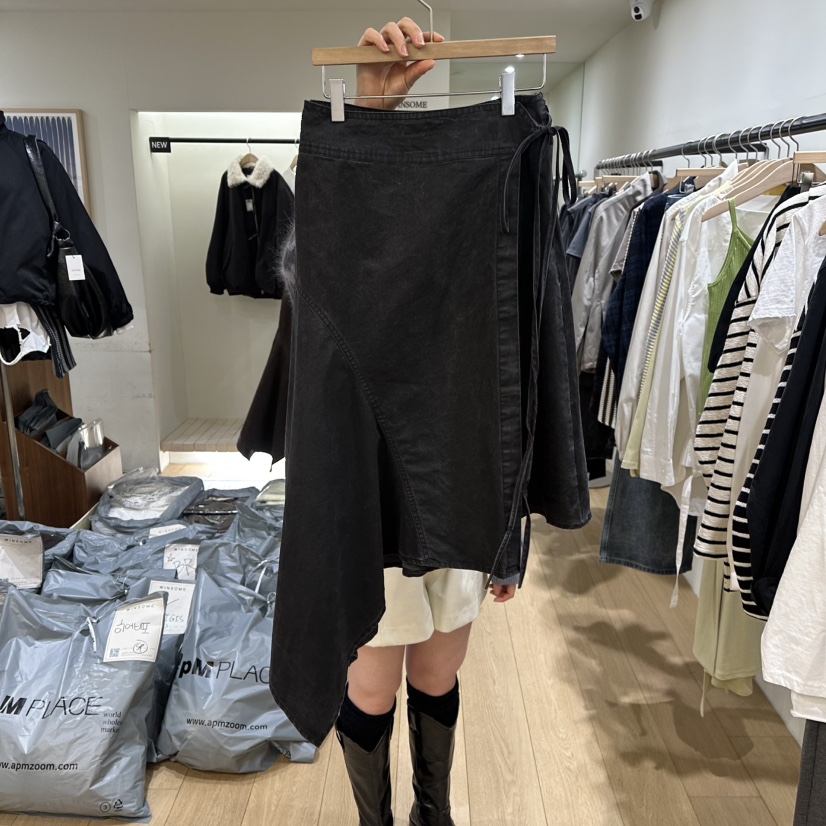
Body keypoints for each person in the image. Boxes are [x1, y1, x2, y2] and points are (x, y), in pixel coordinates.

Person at [328, 19, 518, 826]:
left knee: (437, 675)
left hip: (458, 485)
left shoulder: (488, 223)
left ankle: (431, 813)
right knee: (372, 685)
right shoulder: (335, 233)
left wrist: (508, 534)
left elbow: (512, 385)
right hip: (370, 495)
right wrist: (368, 116)